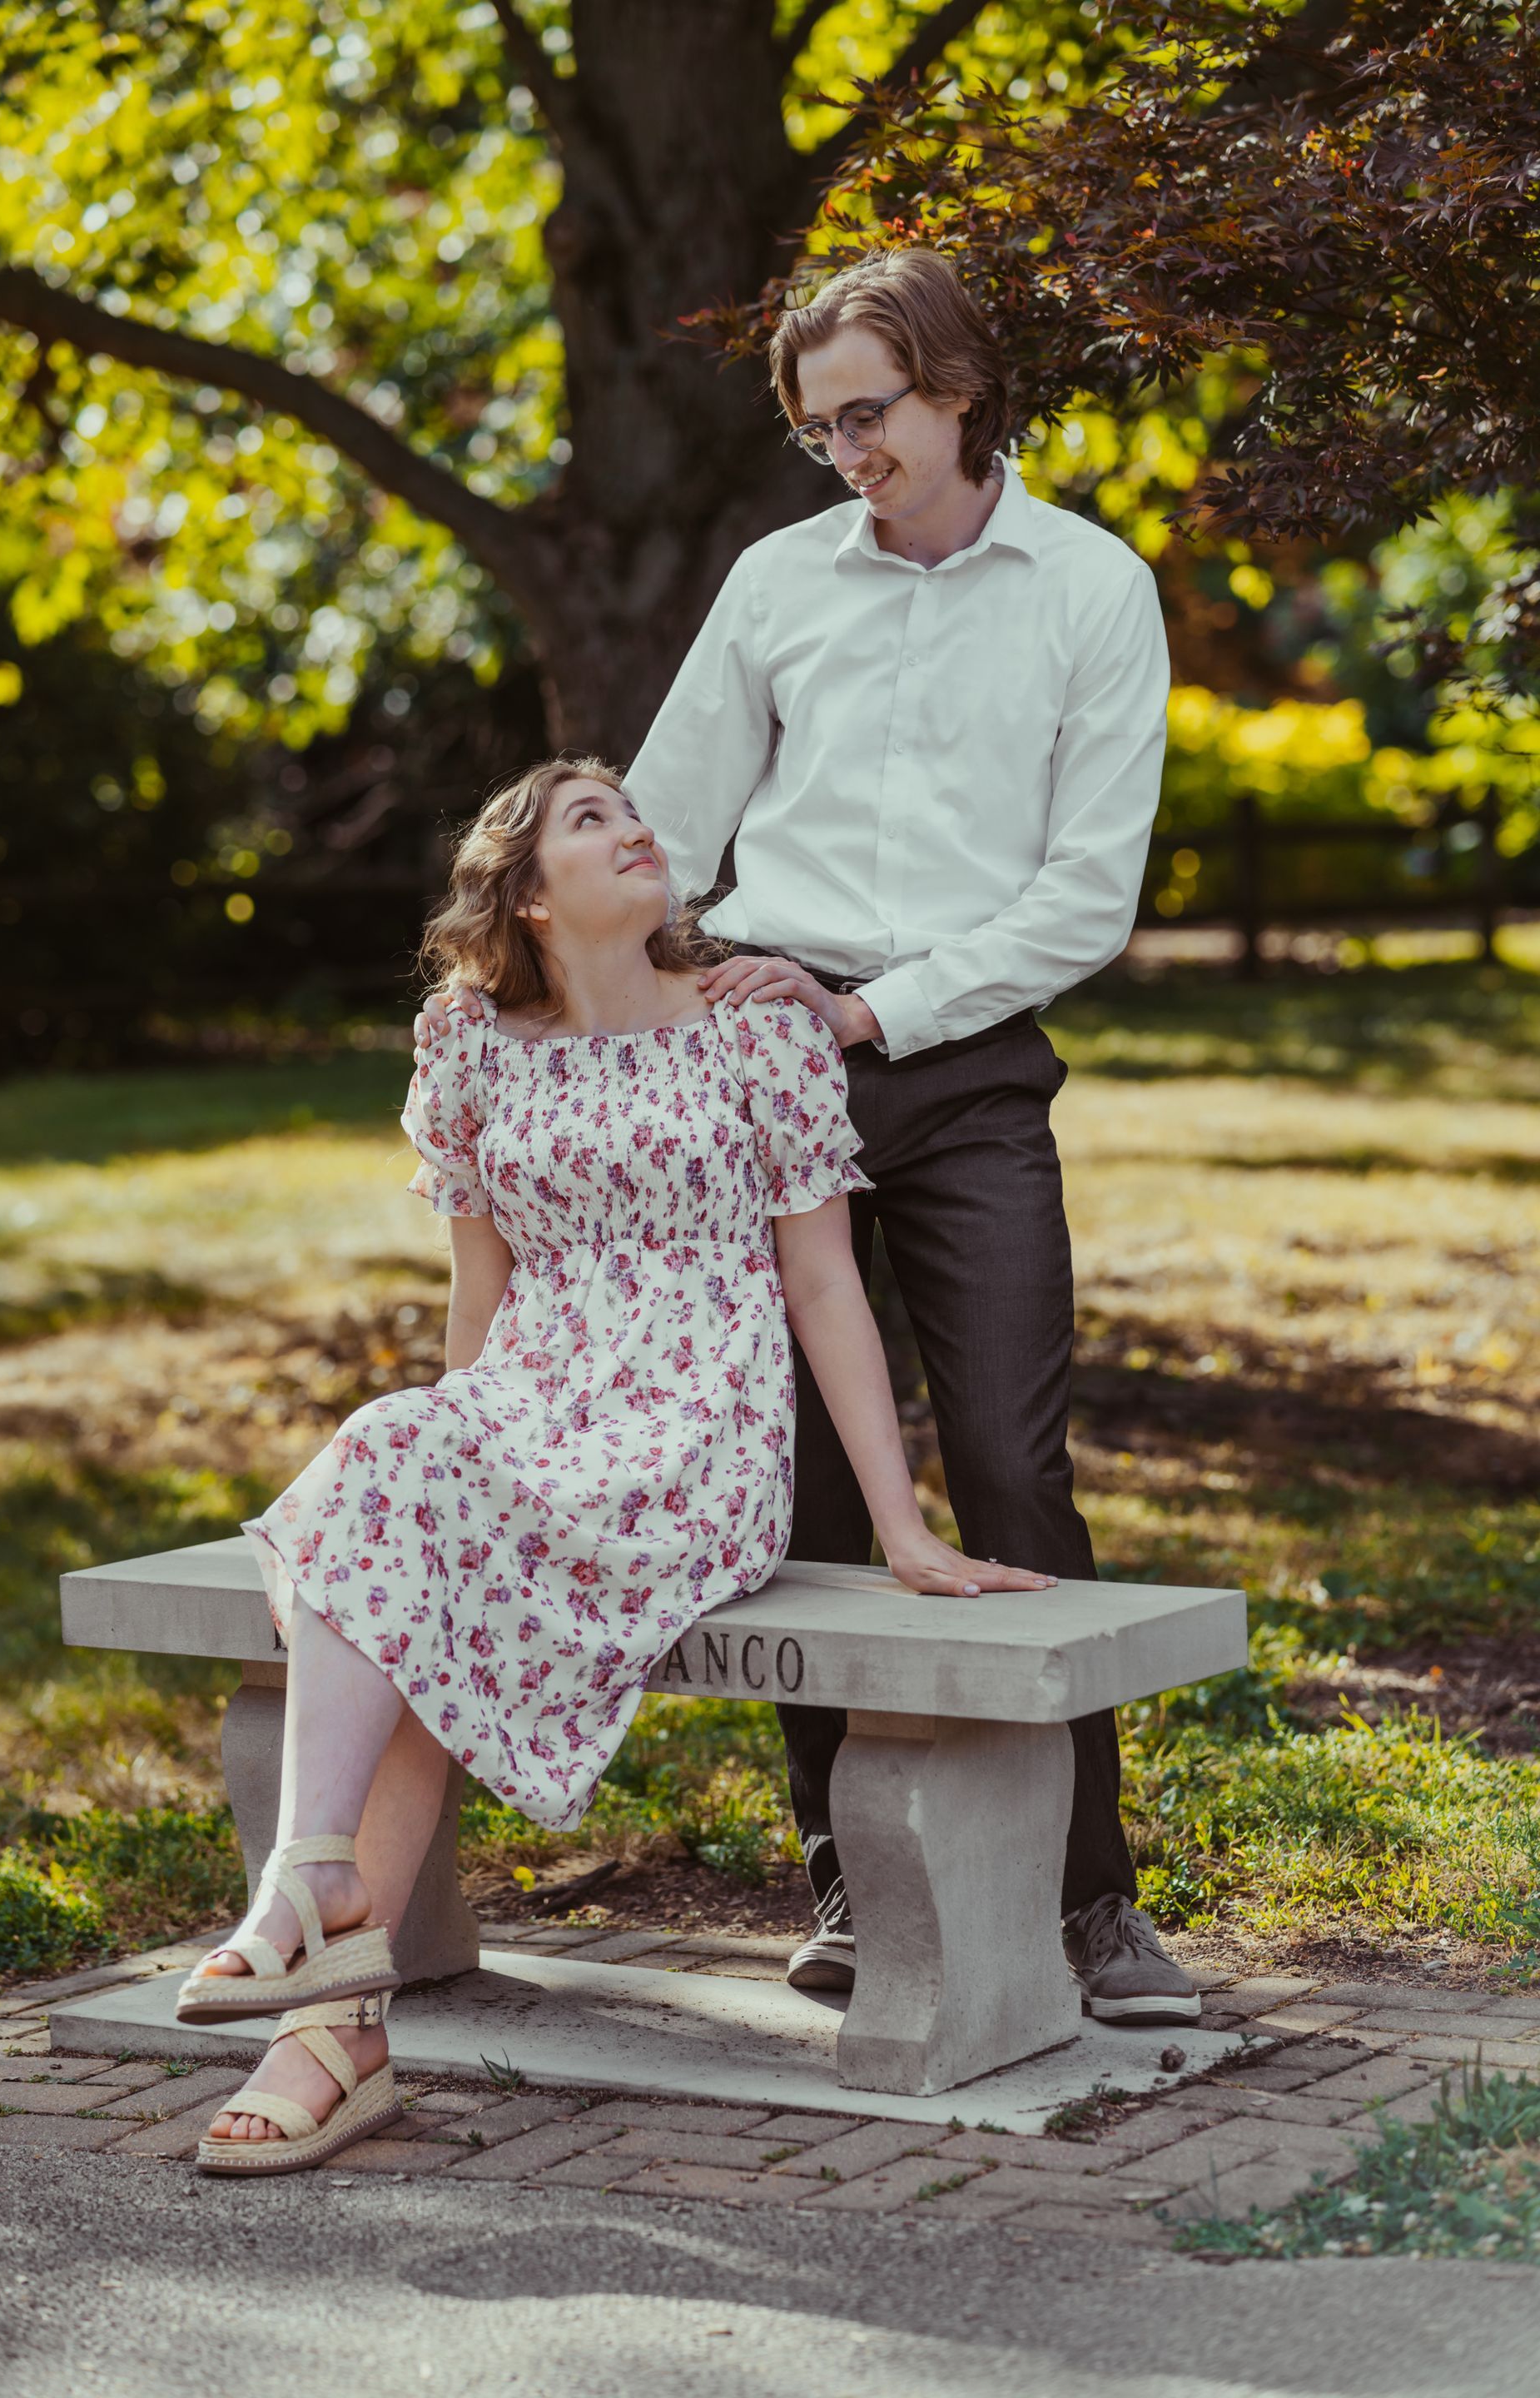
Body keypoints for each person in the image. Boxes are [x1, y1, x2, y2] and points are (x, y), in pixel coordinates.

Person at [179, 756, 1052, 2174]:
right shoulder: (467, 1040)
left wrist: (903, 1524)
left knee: (409, 1515)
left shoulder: (757, 1028)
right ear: (527, 896)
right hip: (531, 1402)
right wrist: (456, 1482)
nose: (637, 829)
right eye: (593, 819)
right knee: (400, 1463)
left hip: (696, 1428)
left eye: (638, 815)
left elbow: (828, 1287)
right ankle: (325, 1983)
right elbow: (476, 1294)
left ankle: (316, 1955)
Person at [623, 246, 1201, 2024]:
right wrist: (613, 1008)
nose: (845, 453)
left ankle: (1091, 1903)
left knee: (1017, 1472)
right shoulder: (780, 581)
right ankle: (852, 1881)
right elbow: (661, 828)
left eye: (867, 415)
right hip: (757, 1060)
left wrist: (873, 1012)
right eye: (818, 430)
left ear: (958, 387)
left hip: (962, 1068)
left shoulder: (1092, 589)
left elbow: (1084, 897)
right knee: (793, 1488)